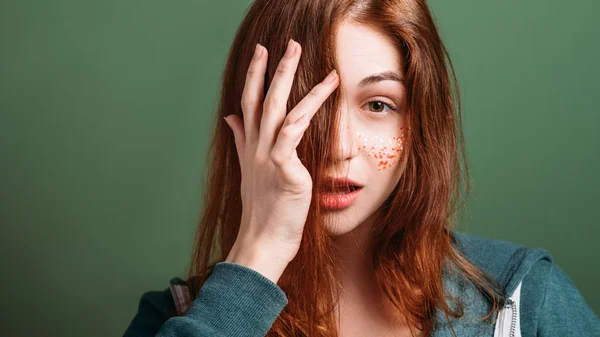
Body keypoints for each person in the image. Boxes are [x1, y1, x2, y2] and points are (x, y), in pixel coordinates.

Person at [123, 0, 600, 336]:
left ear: (419, 123)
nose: (338, 146)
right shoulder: (179, 318)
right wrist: (259, 253)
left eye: (377, 104)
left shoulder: (521, 305)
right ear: (252, 117)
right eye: (305, 106)